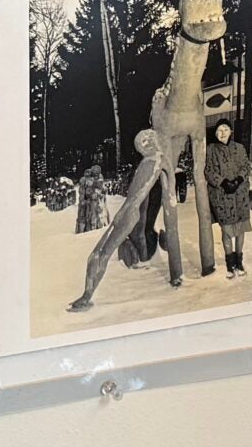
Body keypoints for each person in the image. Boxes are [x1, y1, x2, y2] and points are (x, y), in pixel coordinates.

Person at [68, 130, 187, 311]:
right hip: (126, 212)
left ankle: (87, 296)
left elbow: (167, 189)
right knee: (98, 253)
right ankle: (86, 295)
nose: (145, 144)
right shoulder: (151, 161)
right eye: (142, 143)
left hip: (129, 213)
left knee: (102, 252)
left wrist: (170, 203)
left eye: (148, 140)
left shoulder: (158, 160)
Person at [205, 121, 252, 277]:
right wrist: (223, 182)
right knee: (226, 229)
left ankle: (239, 262)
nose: (222, 133)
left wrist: (239, 180)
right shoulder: (210, 149)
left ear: (231, 131)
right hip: (222, 195)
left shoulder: (239, 148)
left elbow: (246, 166)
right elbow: (208, 170)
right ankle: (230, 264)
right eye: (219, 130)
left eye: (225, 129)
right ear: (215, 133)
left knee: (241, 228)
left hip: (240, 195)